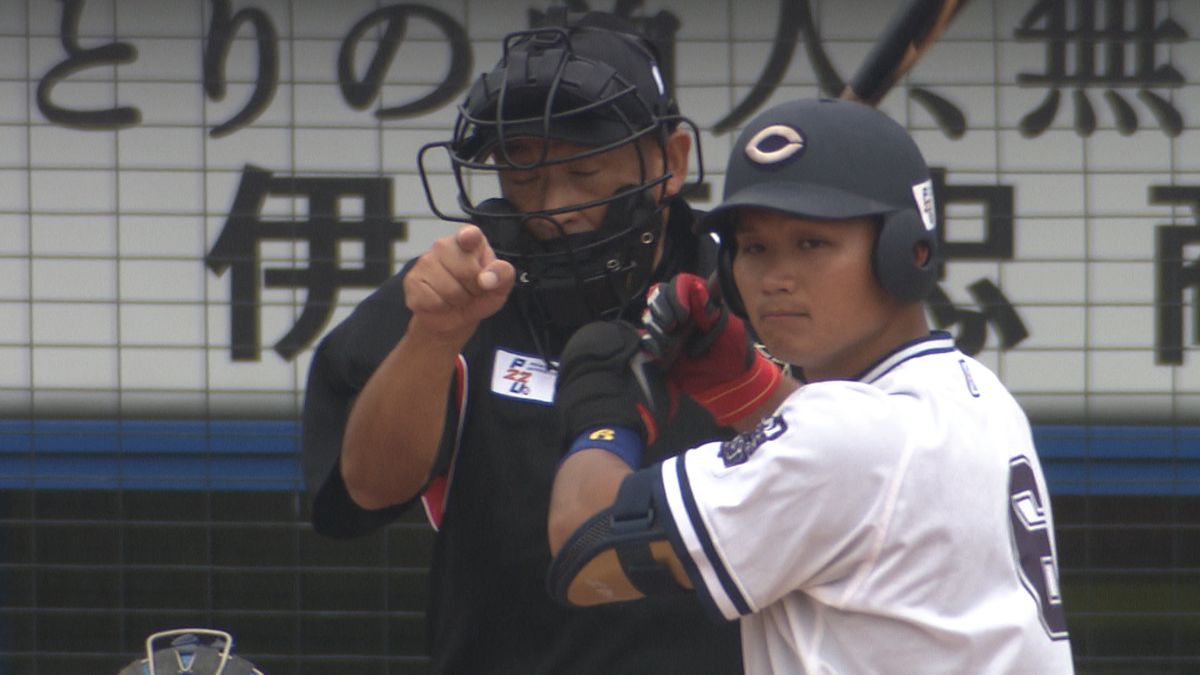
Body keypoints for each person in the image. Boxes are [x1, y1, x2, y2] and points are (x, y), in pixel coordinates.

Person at [547, 97, 1075, 673]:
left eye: (811, 243)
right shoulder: (974, 391)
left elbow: (584, 545)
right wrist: (738, 380)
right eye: (754, 248)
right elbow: (843, 476)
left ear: (909, 252)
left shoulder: (846, 438)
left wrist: (607, 409)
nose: (775, 278)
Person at [301, 11, 744, 675]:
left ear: (671, 161)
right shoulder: (466, 282)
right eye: (524, 174)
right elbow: (365, 491)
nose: (552, 206)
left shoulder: (750, 285)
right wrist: (434, 336)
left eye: (586, 171)